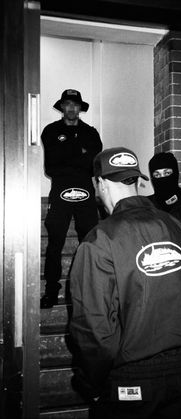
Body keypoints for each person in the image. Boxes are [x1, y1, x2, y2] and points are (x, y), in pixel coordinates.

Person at [69, 146, 181, 419]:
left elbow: (93, 326)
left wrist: (95, 384)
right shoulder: (178, 228)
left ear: (100, 183)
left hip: (130, 381)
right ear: (136, 180)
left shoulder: (99, 241)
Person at [40, 89, 103, 309]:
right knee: (55, 242)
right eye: (67, 104)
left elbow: (94, 164)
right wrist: (81, 153)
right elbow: (51, 166)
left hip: (85, 190)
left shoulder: (91, 132)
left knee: (90, 242)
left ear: (80, 108)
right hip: (60, 190)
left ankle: (89, 291)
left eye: (75, 105)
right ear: (62, 107)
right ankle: (50, 291)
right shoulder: (50, 131)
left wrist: (68, 155)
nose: (71, 108)